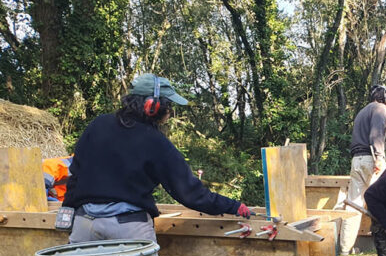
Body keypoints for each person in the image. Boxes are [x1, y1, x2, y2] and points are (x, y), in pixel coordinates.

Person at [63, 74, 250, 243]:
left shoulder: (98, 124)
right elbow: (190, 193)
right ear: (153, 107)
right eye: (168, 106)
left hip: (84, 225)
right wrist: (234, 206)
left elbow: (75, 173)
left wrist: (68, 210)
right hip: (128, 228)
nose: (169, 113)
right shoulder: (155, 141)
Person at [339, 84, 386, 255]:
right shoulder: (379, 109)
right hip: (371, 159)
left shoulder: (362, 111)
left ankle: (345, 250)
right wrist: (379, 157)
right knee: (384, 200)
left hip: (356, 160)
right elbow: (376, 136)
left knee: (353, 205)